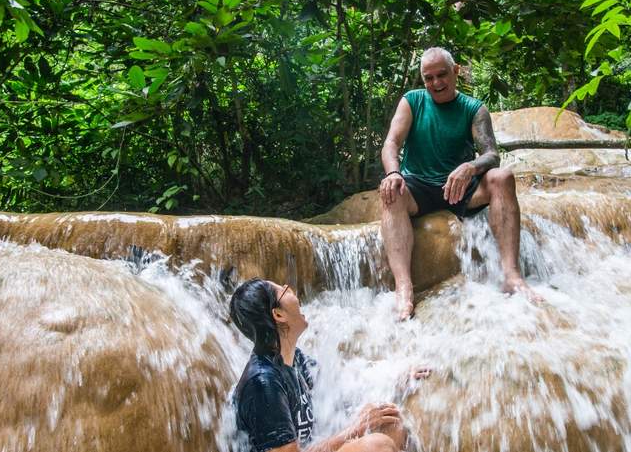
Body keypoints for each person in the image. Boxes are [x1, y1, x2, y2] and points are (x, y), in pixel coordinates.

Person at [379, 47, 541, 320]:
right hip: (419, 186)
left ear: (456, 72)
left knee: (502, 177)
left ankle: (511, 276)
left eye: (442, 75)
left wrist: (470, 167)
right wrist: (393, 173)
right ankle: (404, 289)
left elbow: (492, 155)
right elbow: (391, 143)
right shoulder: (412, 101)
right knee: (392, 192)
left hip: (461, 189)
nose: (436, 83)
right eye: (428, 78)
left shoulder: (474, 108)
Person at [229, 278, 417, 452]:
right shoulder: (263, 384)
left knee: (389, 423)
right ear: (278, 314)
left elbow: (341, 386)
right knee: (376, 445)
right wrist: (355, 429)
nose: (293, 293)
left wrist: (393, 377)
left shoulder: (294, 359)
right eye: (285, 291)